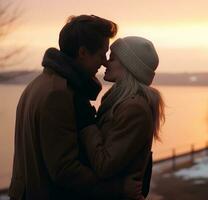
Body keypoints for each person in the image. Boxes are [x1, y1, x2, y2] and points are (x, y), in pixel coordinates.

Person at [8, 15, 141, 200]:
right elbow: (65, 170)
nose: (104, 63)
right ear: (83, 52)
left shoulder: (40, 84)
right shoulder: (58, 94)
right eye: (101, 55)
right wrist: (118, 188)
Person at [79, 36, 165, 200]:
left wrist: (87, 124)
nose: (105, 63)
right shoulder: (119, 101)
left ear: (128, 66)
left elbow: (104, 165)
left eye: (112, 58)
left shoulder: (134, 109)